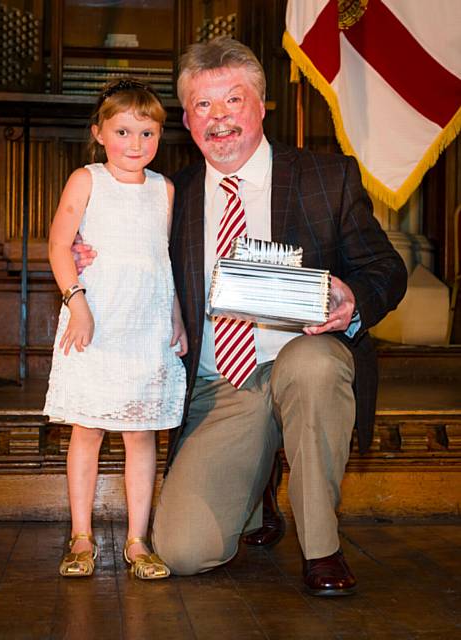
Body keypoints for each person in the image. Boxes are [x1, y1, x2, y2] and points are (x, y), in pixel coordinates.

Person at [74, 37, 408, 596]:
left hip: (301, 358)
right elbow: (120, 247)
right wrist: (90, 254)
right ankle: (258, 492)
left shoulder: (328, 177)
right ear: (187, 118)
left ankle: (322, 549)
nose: (220, 118)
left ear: (261, 106)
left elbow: (386, 269)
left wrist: (352, 300)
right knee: (183, 551)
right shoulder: (166, 194)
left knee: (314, 368)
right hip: (219, 382)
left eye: (234, 100)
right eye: (204, 105)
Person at [44, 78, 187, 580]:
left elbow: (163, 262)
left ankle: (137, 539)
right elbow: (60, 245)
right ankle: (81, 534)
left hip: (146, 325)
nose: (135, 144)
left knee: (141, 434)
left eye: (147, 134)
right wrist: (76, 302)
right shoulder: (87, 180)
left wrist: (176, 318)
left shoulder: (164, 191)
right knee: (87, 429)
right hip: (97, 318)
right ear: (99, 133)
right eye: (123, 131)